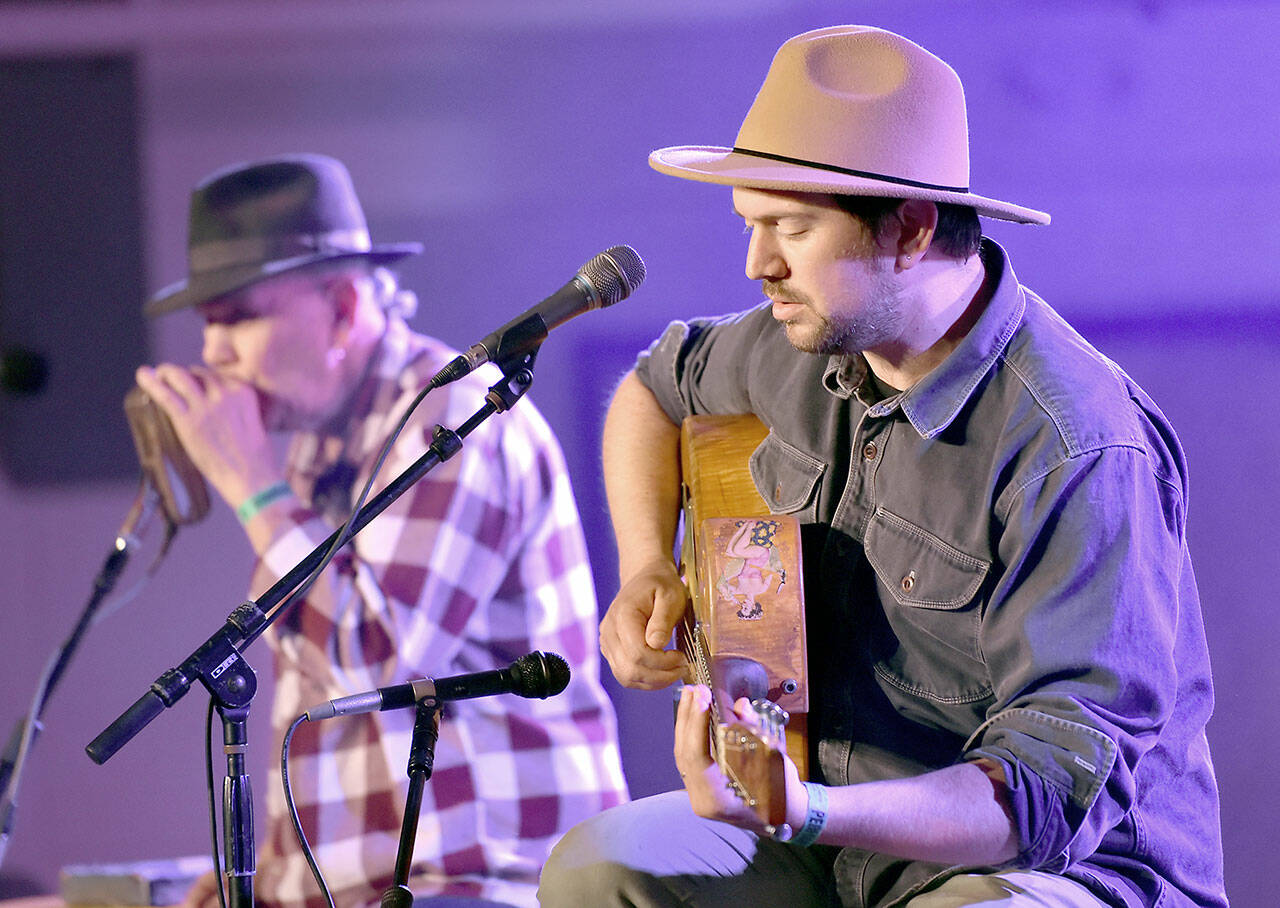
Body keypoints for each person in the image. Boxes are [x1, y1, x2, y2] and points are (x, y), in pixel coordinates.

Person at [538, 25, 1226, 908]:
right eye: (751, 224)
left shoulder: (1078, 445)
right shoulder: (802, 337)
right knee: (600, 867)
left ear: (909, 230)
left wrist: (815, 810)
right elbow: (653, 389)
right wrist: (646, 565)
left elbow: (1045, 796)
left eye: (790, 227)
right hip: (831, 838)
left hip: (1048, 871)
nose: (758, 266)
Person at [136, 154, 628, 908]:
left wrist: (250, 484)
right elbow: (319, 707)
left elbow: (378, 665)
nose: (212, 354)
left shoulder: (455, 418)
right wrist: (271, 873)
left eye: (238, 319)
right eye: (207, 326)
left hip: (477, 887)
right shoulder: (312, 445)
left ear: (340, 307)